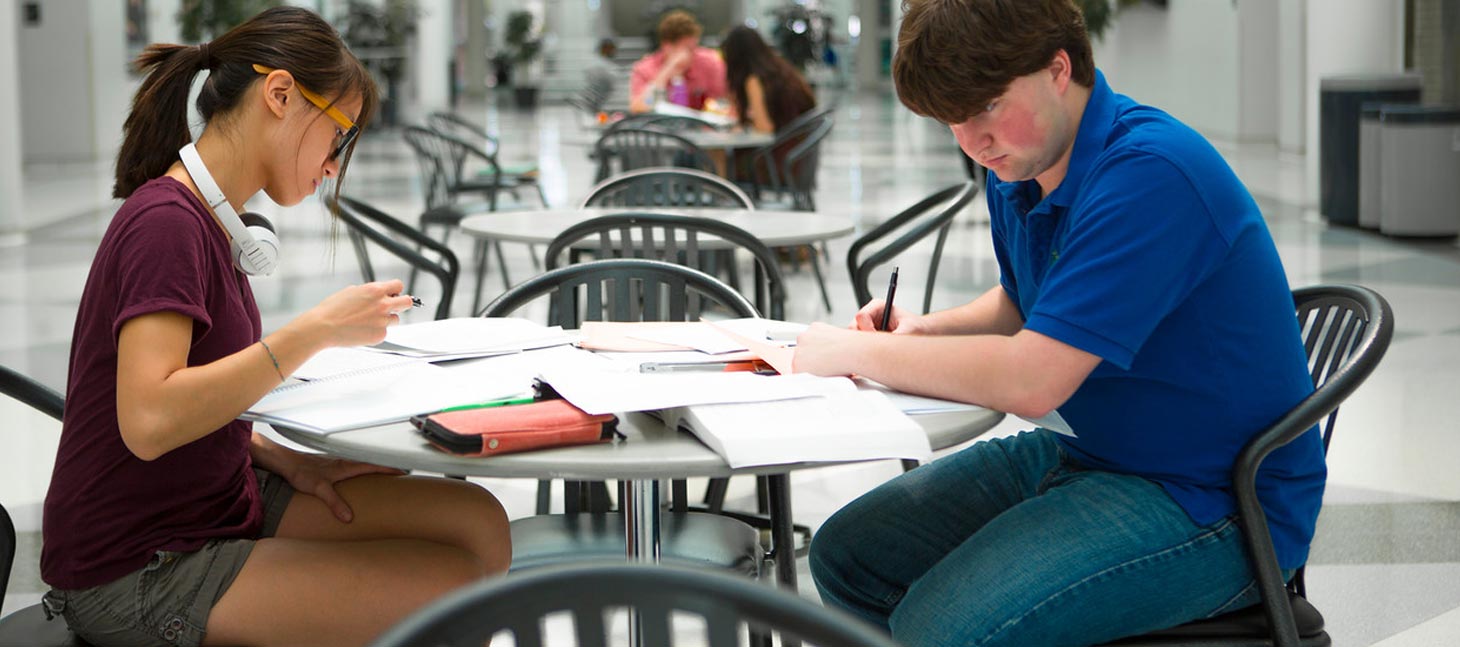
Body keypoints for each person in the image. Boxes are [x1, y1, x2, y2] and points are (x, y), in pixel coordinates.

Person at [794, 1, 1323, 645]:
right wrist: (922, 332)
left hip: (1212, 501)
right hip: (1092, 452)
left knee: (938, 629)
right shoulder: (1022, 164)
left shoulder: (1150, 174)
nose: (971, 142)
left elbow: (1033, 380)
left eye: (985, 106)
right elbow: (1025, 303)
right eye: (952, 121)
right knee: (847, 554)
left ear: (1057, 68)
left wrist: (853, 353)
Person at [40, 7, 511, 647]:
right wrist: (314, 331)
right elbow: (148, 422)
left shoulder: (210, 219)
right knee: (449, 585)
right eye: (339, 135)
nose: (331, 166)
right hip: (139, 567)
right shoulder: (167, 226)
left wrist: (276, 455)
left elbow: (197, 391)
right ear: (281, 95)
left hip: (214, 500)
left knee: (479, 521)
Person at [719, 25, 816, 135]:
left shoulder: (754, 80)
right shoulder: (779, 69)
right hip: (803, 142)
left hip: (784, 146)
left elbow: (764, 128)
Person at [628, 10, 727, 113]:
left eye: (693, 48)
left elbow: (727, 101)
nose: (690, 55)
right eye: (686, 49)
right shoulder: (645, 69)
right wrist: (666, 72)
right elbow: (638, 108)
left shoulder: (709, 62)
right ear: (666, 46)